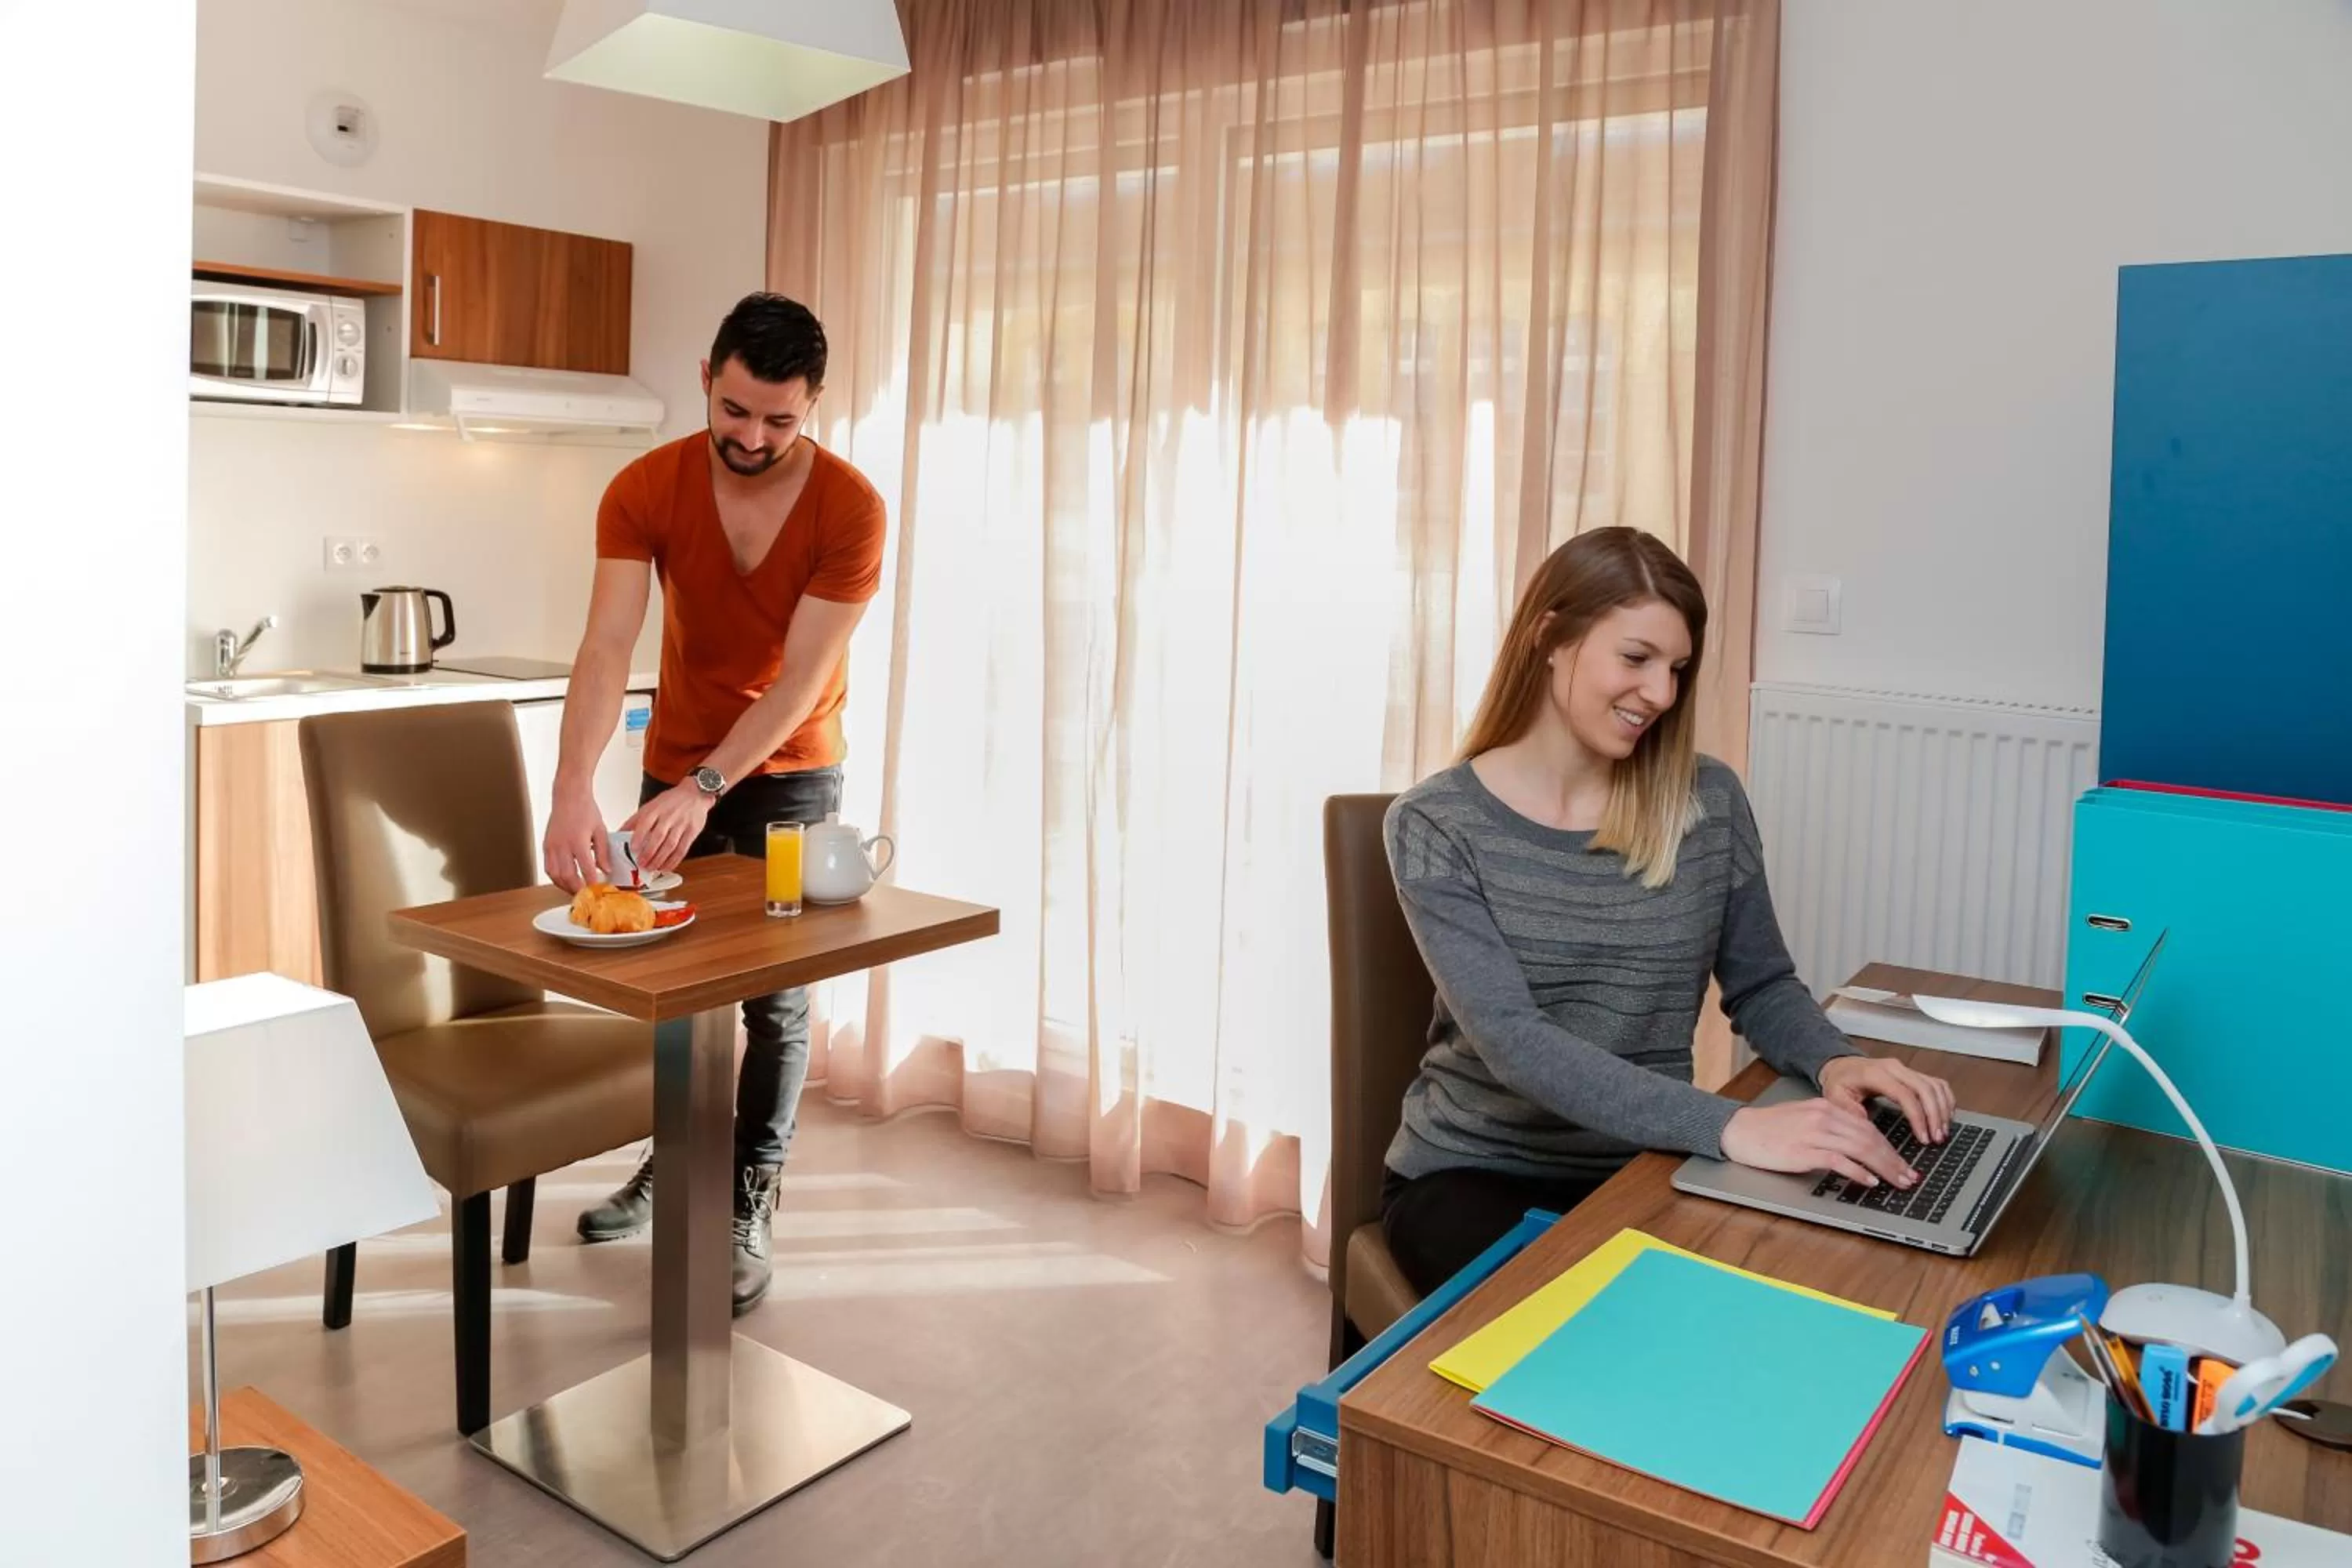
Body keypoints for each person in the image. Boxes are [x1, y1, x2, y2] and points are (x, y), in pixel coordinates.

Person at [1380, 526, 1956, 1297]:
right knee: (1596, 1344)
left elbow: (1762, 985)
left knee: (1815, 1291)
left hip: (1650, 1161)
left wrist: (1834, 1058)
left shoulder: (1708, 801)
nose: (1661, 693)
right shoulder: (1437, 823)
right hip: (1477, 1176)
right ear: (1552, 635)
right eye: (1636, 657)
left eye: (1677, 668)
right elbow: (1514, 1042)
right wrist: (1729, 1124)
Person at [542, 292, 886, 1315]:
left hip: (793, 778)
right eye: (736, 409)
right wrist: (572, 788)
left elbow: (794, 684)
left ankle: (747, 1195)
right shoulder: (643, 488)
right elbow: (608, 647)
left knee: (775, 1002)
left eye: (781, 420)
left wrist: (705, 788)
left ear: (813, 404)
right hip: (679, 770)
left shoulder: (851, 509)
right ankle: (676, 1160)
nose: (752, 437)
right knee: (669, 980)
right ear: (706, 375)